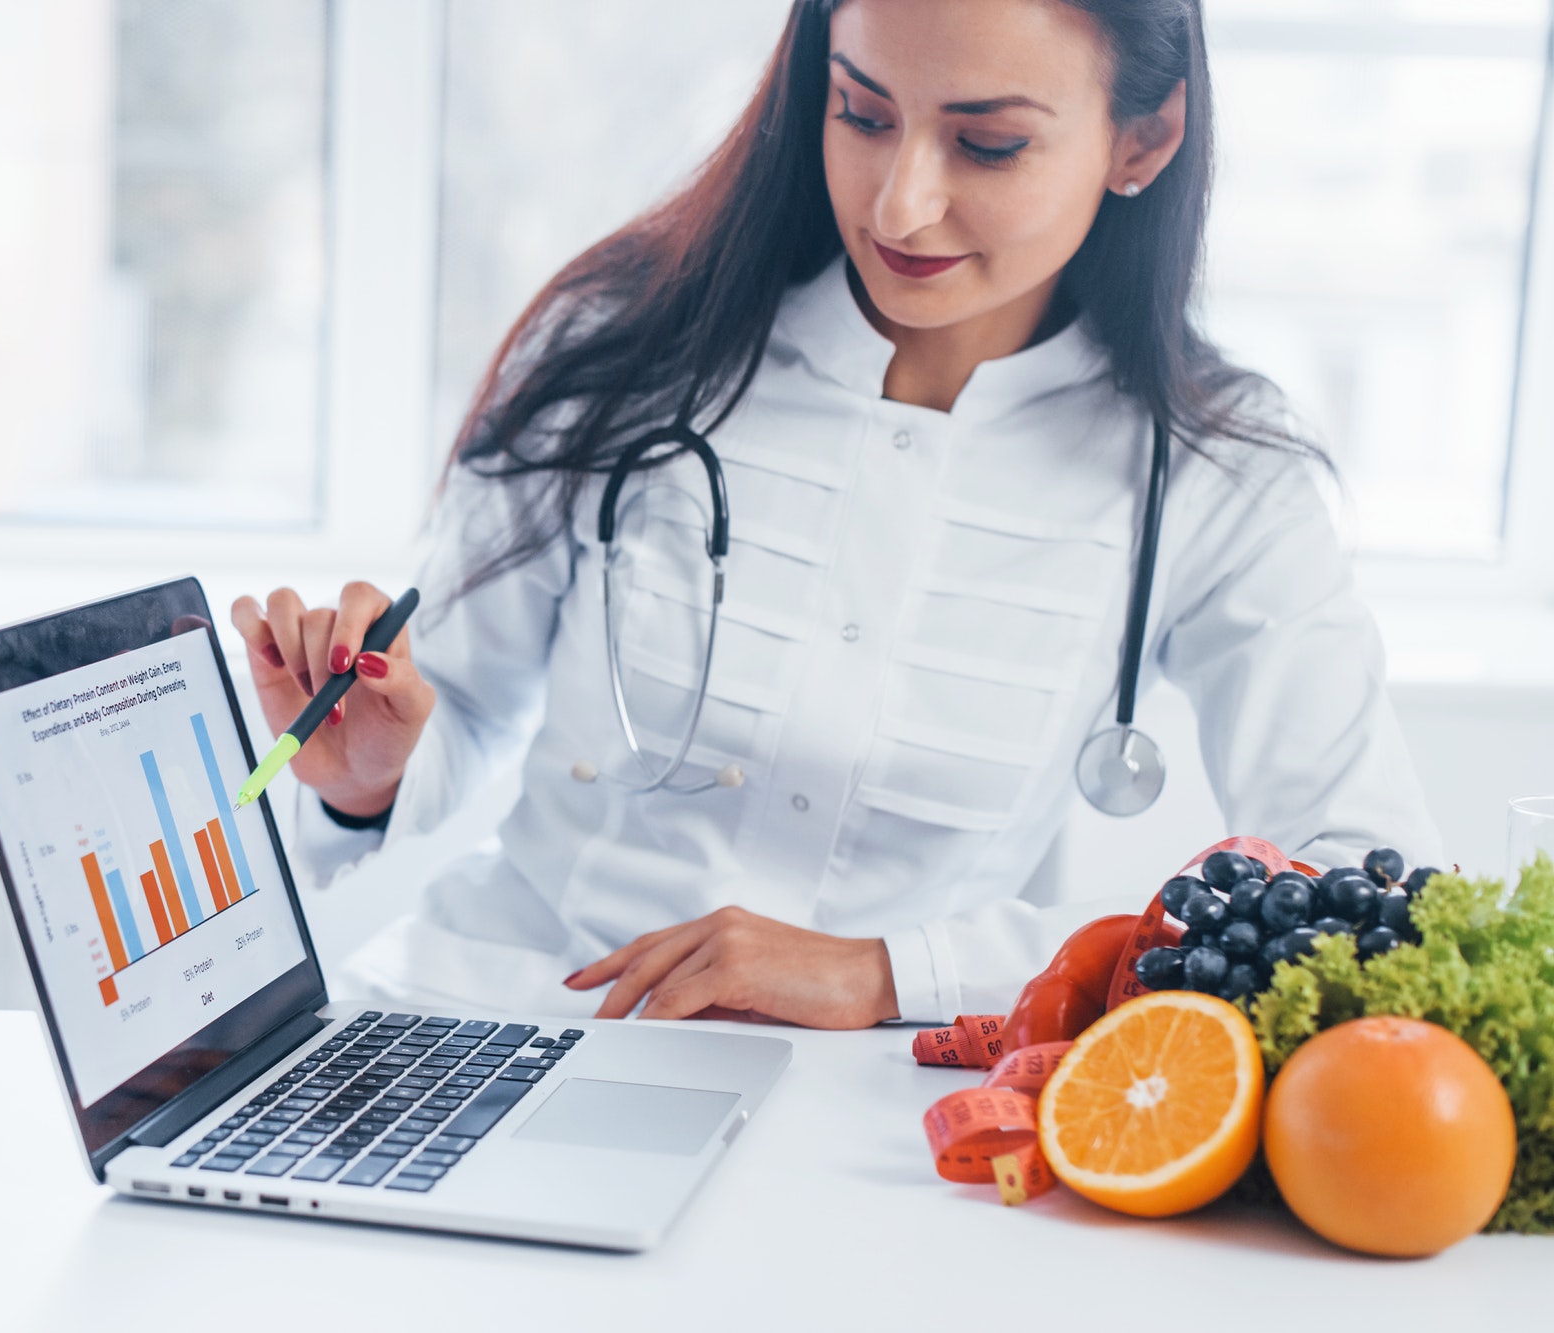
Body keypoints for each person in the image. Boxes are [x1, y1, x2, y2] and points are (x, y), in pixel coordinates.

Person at [230, 0, 1438, 1028]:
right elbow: (464, 706)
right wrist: (371, 774)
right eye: (859, 114)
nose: (899, 205)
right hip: (504, 1014)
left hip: (881, 1107)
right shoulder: (624, 346)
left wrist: (893, 973)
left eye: (988, 144)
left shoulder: (1219, 471)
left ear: (1144, 137)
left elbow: (1361, 890)